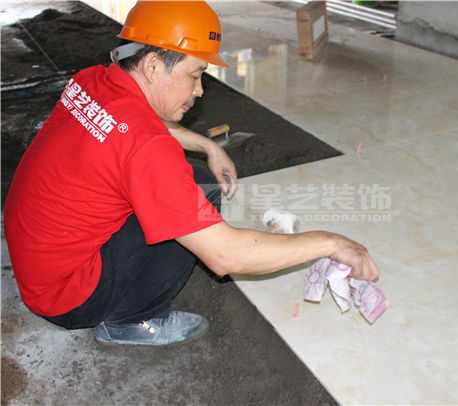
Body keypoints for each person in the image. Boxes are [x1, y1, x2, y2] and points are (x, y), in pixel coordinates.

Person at [4, 0, 379, 346]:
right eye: (195, 74)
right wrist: (333, 243)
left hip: (38, 257)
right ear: (152, 65)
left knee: (197, 179)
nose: (199, 90)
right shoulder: (146, 149)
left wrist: (208, 146)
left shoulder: (94, 81)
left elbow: (134, 127)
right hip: (67, 296)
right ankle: (131, 320)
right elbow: (226, 255)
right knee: (199, 195)